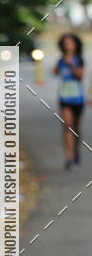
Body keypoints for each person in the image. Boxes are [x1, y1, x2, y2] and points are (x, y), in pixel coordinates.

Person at [53, 32, 85, 169]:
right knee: (67, 126)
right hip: (64, 97)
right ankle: (69, 157)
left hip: (78, 98)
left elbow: (80, 77)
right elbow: (55, 72)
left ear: (75, 45)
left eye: (70, 43)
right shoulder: (61, 60)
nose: (67, 45)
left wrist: (71, 64)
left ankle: (76, 150)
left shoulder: (79, 60)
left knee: (76, 128)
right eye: (65, 43)